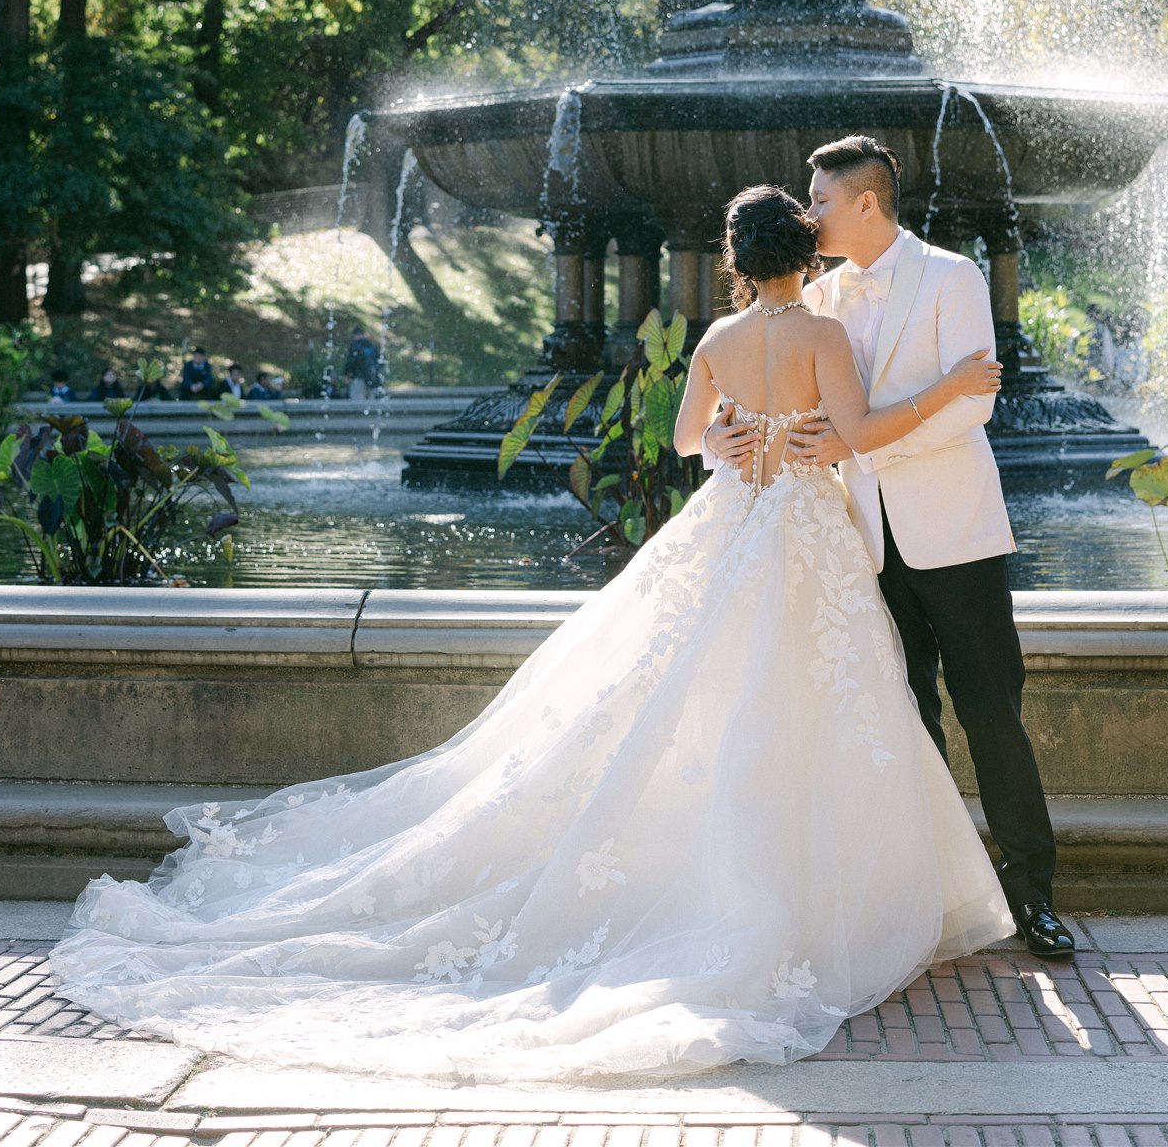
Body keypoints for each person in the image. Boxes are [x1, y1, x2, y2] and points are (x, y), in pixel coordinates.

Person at [50, 184, 1009, 1084]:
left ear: (736, 260)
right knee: (807, 698)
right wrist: (944, 389)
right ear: (804, 251)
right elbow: (853, 432)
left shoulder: (717, 334)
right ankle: (823, 897)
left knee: (699, 687)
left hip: (732, 518)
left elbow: (684, 441)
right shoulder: (826, 333)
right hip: (801, 526)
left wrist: (730, 437)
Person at [706, 136, 1073, 961]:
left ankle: (1034, 895)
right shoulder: (816, 297)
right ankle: (935, 904)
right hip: (856, 541)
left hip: (955, 531)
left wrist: (855, 446)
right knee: (904, 718)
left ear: (864, 202)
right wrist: (723, 437)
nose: (810, 214)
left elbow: (969, 409)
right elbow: (759, 396)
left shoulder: (953, 276)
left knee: (990, 710)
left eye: (821, 200)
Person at [344, 325, 383, 400]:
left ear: (354, 335)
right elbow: (379, 361)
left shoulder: (355, 345)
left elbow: (350, 361)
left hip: (358, 377)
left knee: (356, 402)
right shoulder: (372, 345)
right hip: (372, 378)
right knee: (371, 403)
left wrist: (346, 374)